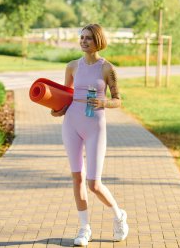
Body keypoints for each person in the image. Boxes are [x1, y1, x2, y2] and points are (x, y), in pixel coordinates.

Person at [51, 24, 129, 246]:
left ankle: (119, 215)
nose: (83, 41)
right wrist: (57, 110)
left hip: (95, 125)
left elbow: (118, 100)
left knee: (94, 183)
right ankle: (84, 228)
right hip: (71, 124)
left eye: (88, 38)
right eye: (81, 37)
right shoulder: (72, 66)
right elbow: (65, 97)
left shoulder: (107, 69)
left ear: (98, 40)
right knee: (77, 178)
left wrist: (104, 102)